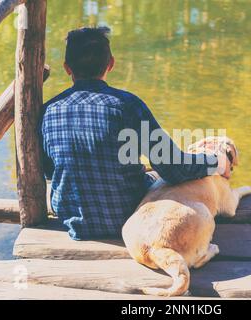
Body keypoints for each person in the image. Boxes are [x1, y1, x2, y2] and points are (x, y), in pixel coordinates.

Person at [40, 27, 231, 240]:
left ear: (67, 68)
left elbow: (50, 172)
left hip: (74, 222)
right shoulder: (127, 105)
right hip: (131, 218)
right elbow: (174, 169)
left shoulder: (46, 111)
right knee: (168, 175)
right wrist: (218, 162)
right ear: (111, 63)